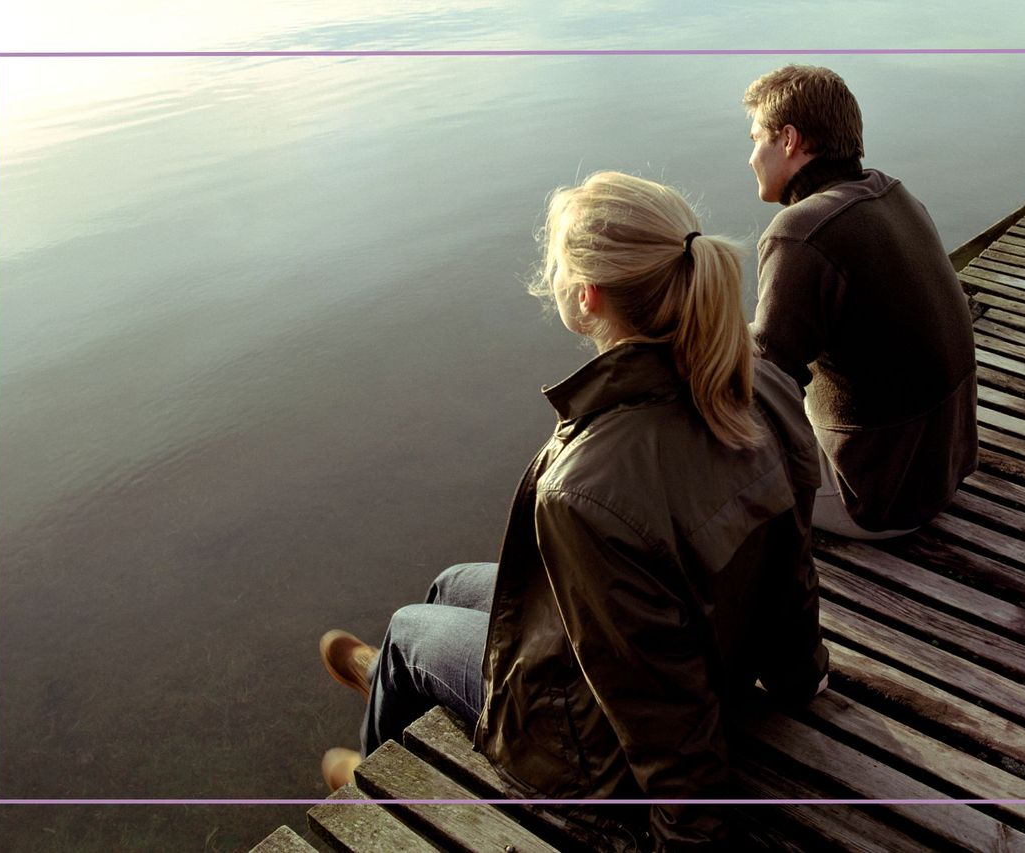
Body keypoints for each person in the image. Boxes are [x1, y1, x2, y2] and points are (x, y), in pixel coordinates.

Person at [318, 171, 828, 850]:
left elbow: (660, 711)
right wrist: (800, 675)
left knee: (410, 628)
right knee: (449, 582)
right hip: (720, 642)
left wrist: (687, 837)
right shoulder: (757, 377)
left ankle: (375, 789)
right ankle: (398, 683)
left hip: (595, 753)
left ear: (586, 297)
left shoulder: (586, 489)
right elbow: (792, 563)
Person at [743, 65, 978, 539]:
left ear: (788, 140)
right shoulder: (894, 194)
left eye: (756, 140)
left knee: (720, 410)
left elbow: (764, 383)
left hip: (876, 500)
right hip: (943, 465)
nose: (751, 158)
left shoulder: (800, 232)